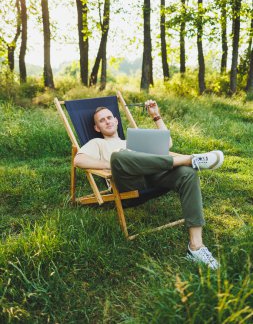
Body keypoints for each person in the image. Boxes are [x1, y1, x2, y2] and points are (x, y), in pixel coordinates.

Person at [74, 100, 224, 270]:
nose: (107, 121)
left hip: (153, 176)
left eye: (110, 117)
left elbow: (166, 145)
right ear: (97, 128)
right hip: (128, 183)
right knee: (119, 157)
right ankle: (189, 159)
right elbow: (78, 159)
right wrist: (109, 164)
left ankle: (196, 246)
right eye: (102, 120)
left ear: (116, 121)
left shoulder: (132, 141)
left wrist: (156, 116)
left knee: (188, 174)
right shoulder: (98, 143)